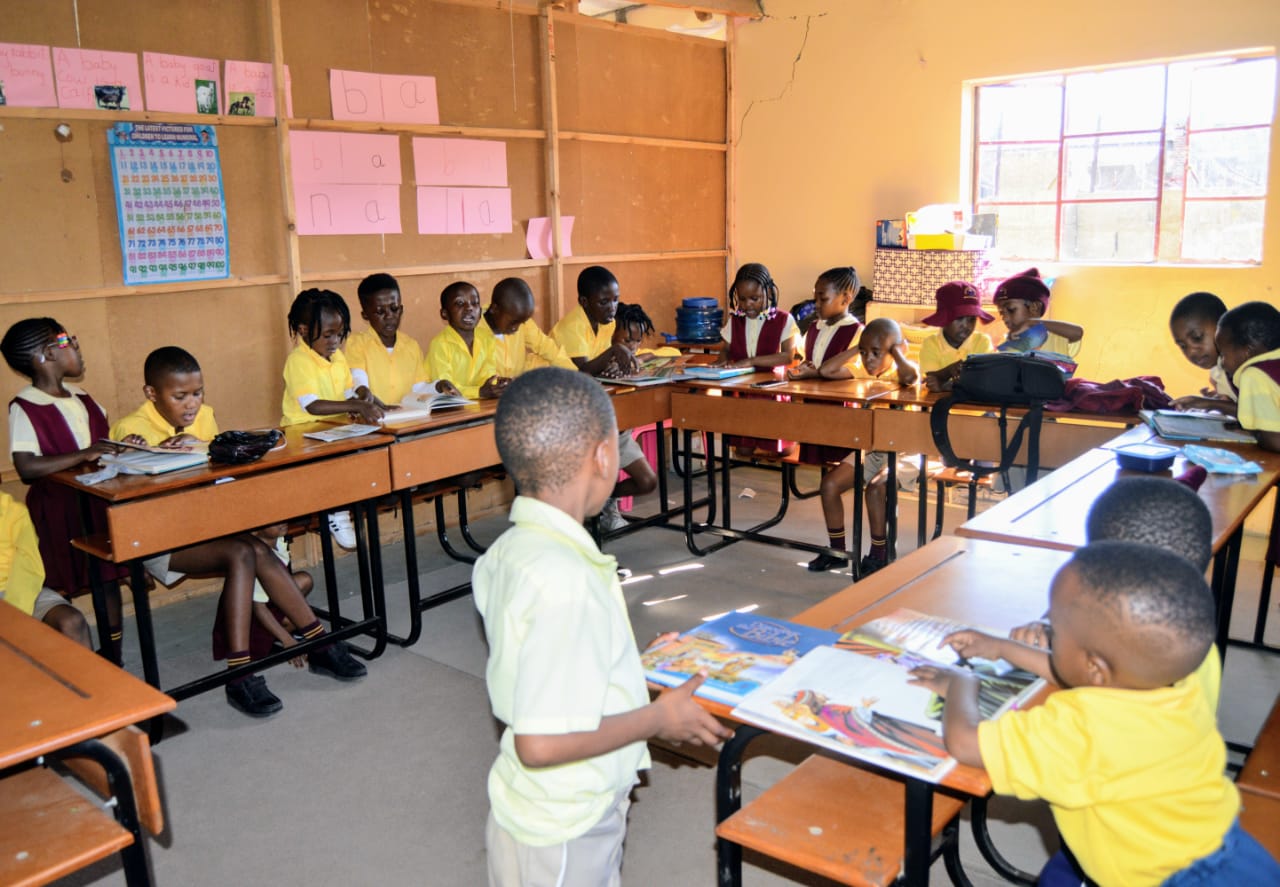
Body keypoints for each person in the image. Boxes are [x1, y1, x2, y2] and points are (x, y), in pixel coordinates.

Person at [472, 367, 732, 886]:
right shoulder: (564, 577)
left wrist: (628, 664)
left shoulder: (514, 550)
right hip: (566, 829)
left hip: (541, 815)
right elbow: (540, 743)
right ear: (604, 456)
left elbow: (544, 662)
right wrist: (658, 719)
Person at [910, 542, 1279, 886]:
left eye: (1055, 632)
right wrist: (1002, 648)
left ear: (1095, 667)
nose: (1050, 636)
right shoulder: (1180, 685)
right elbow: (1084, 672)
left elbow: (965, 742)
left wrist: (961, 683)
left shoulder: (1081, 729)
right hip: (1229, 850)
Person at [114, 346, 366, 716]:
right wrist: (154, 455)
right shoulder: (131, 428)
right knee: (242, 552)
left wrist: (208, 450)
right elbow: (128, 498)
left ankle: (318, 644)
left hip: (204, 524)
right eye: (180, 396)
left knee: (255, 550)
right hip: (159, 537)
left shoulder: (206, 417)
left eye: (197, 393)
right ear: (151, 393)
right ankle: (241, 673)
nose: (192, 404)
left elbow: (219, 477)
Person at [2, 318, 127, 655]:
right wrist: (84, 453)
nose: (75, 345)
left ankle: (112, 657)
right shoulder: (26, 406)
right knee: (61, 581)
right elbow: (27, 466)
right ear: (46, 355)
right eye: (66, 340)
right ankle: (71, 658)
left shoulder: (83, 397)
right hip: (58, 511)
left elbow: (100, 446)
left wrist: (122, 445)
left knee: (107, 579)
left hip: (97, 503)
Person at [800, 313, 919, 575]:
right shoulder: (862, 371)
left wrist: (897, 352)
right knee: (829, 485)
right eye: (865, 353)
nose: (869, 360)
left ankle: (878, 553)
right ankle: (838, 551)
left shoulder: (902, 371)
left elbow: (910, 377)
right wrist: (860, 347)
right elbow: (827, 370)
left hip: (907, 453)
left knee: (875, 490)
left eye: (876, 353)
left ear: (896, 350)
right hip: (874, 451)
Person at [280, 288, 386, 550]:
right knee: (336, 462)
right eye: (328, 335)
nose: (335, 341)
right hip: (302, 435)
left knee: (371, 448)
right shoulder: (298, 361)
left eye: (340, 334)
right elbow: (312, 405)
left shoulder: (337, 357)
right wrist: (356, 404)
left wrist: (361, 394)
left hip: (332, 432)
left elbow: (346, 391)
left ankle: (347, 503)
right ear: (304, 331)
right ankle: (335, 511)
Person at [590, 303, 663, 531]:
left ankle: (606, 499)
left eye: (637, 341)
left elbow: (663, 354)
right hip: (597, 438)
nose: (632, 347)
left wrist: (641, 360)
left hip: (621, 437)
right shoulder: (599, 361)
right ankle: (597, 508)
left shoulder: (632, 360)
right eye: (626, 341)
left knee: (647, 482)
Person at [345, 272, 458, 406]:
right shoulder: (357, 343)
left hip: (406, 416)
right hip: (373, 415)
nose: (389, 316)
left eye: (394, 309)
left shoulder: (411, 346)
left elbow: (418, 388)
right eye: (380, 312)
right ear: (365, 315)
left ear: (401, 309)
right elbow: (358, 377)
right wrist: (363, 391)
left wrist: (439, 386)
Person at [0, 489, 91, 646]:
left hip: (19, 590)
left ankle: (89, 664)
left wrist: (14, 613)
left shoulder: (14, 511)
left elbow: (29, 567)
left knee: (71, 621)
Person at [427, 281, 509, 400]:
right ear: (444, 314)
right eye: (460, 303)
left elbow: (487, 378)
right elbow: (448, 390)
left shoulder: (487, 338)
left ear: (480, 312)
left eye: (474, 303)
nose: (469, 308)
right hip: (447, 407)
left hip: (475, 404)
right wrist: (479, 392)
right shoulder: (439, 344)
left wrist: (498, 386)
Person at [1216, 300, 1280, 452]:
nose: (1222, 363)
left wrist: (1255, 433)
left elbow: (1276, 442)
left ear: (1248, 352)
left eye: (1223, 354)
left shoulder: (1254, 376)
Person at [551, 265, 637, 379]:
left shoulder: (608, 322)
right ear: (584, 302)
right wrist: (613, 350)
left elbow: (600, 360)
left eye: (615, 300)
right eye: (604, 302)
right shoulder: (572, 326)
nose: (612, 308)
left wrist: (613, 366)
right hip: (547, 381)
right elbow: (582, 370)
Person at [481, 277, 574, 378]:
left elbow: (545, 346)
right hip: (490, 386)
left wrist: (575, 375)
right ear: (495, 309)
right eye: (514, 322)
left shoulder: (519, 319)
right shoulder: (474, 330)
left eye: (522, 323)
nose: (516, 328)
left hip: (519, 379)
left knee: (550, 362)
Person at [718, 263, 799, 371]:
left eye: (754, 298)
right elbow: (726, 350)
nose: (747, 304)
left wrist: (751, 361)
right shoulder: (735, 320)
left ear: (769, 292)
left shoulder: (784, 319)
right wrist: (722, 360)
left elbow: (787, 357)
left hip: (771, 379)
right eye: (742, 299)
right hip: (739, 380)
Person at [918, 280, 994, 392]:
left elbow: (984, 380)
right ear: (943, 318)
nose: (966, 326)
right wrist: (949, 371)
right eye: (959, 318)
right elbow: (932, 379)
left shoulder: (982, 341)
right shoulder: (931, 344)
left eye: (972, 319)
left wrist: (946, 384)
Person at [1169, 291, 1237, 415]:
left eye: (1197, 337)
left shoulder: (1247, 368)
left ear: (1225, 328)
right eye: (1183, 346)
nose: (1191, 352)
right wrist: (1220, 399)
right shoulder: (1218, 372)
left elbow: (1257, 414)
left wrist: (1211, 404)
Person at [991, 268, 1083, 358]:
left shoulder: (1056, 336)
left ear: (1034, 307)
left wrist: (1032, 323)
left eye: (1011, 309)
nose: (1005, 318)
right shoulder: (1009, 344)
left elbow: (1077, 332)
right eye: (1001, 313)